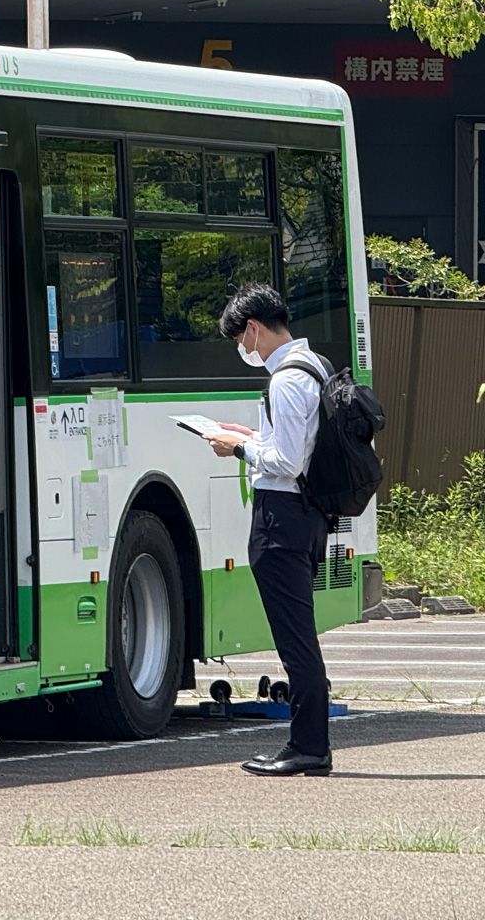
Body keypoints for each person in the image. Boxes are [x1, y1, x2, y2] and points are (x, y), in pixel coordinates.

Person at [203, 283, 335, 777]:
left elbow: (287, 460)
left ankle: (309, 747)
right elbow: (299, 444)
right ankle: (309, 744)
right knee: (299, 635)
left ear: (254, 328)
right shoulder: (315, 366)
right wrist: (251, 435)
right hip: (309, 514)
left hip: (281, 518)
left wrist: (237, 449)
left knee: (295, 640)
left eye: (241, 338)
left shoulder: (284, 379)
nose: (244, 348)